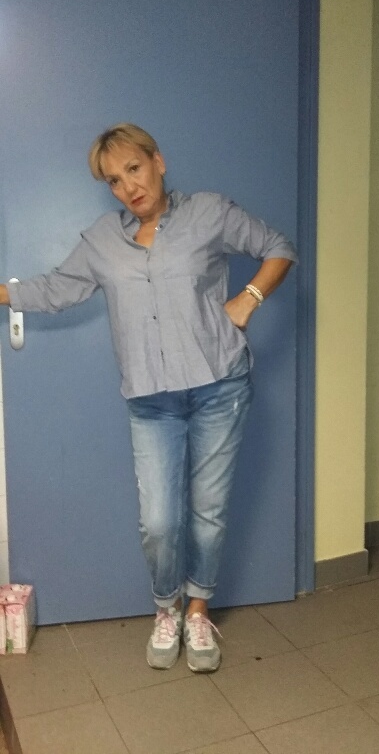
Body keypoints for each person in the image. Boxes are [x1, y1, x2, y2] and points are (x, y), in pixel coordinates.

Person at [0, 123, 297, 672]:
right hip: (151, 400)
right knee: (159, 522)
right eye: (114, 181)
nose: (128, 187)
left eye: (133, 169)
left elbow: (278, 248)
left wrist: (248, 298)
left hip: (220, 387)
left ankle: (198, 611)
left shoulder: (208, 212)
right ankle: (167, 608)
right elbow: (55, 288)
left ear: (157, 161)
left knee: (208, 512)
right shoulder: (102, 242)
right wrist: (4, 292)